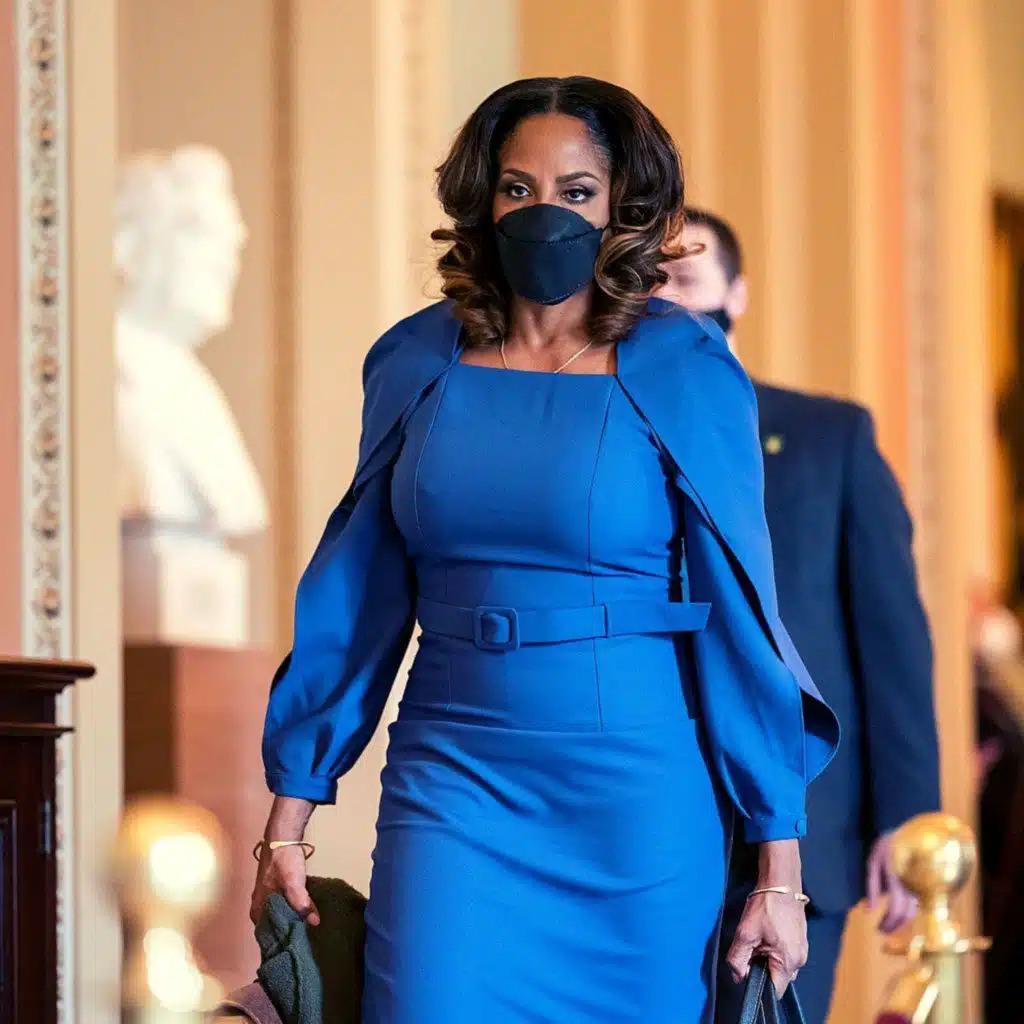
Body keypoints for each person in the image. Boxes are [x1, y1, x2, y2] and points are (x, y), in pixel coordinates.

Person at [251, 79, 839, 1023]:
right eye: (518, 188)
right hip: (454, 779)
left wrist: (778, 866)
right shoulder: (415, 360)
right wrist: (290, 812)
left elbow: (742, 616)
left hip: (638, 799)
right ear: (483, 201)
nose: (544, 211)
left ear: (620, 209)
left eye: (576, 191)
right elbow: (358, 591)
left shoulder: (685, 367)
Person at [657, 208, 940, 1022]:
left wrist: (905, 814)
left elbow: (891, 639)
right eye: (649, 279)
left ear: (736, 295)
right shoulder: (606, 434)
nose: (666, 298)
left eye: (686, 278)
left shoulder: (829, 436)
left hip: (805, 828)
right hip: (651, 815)